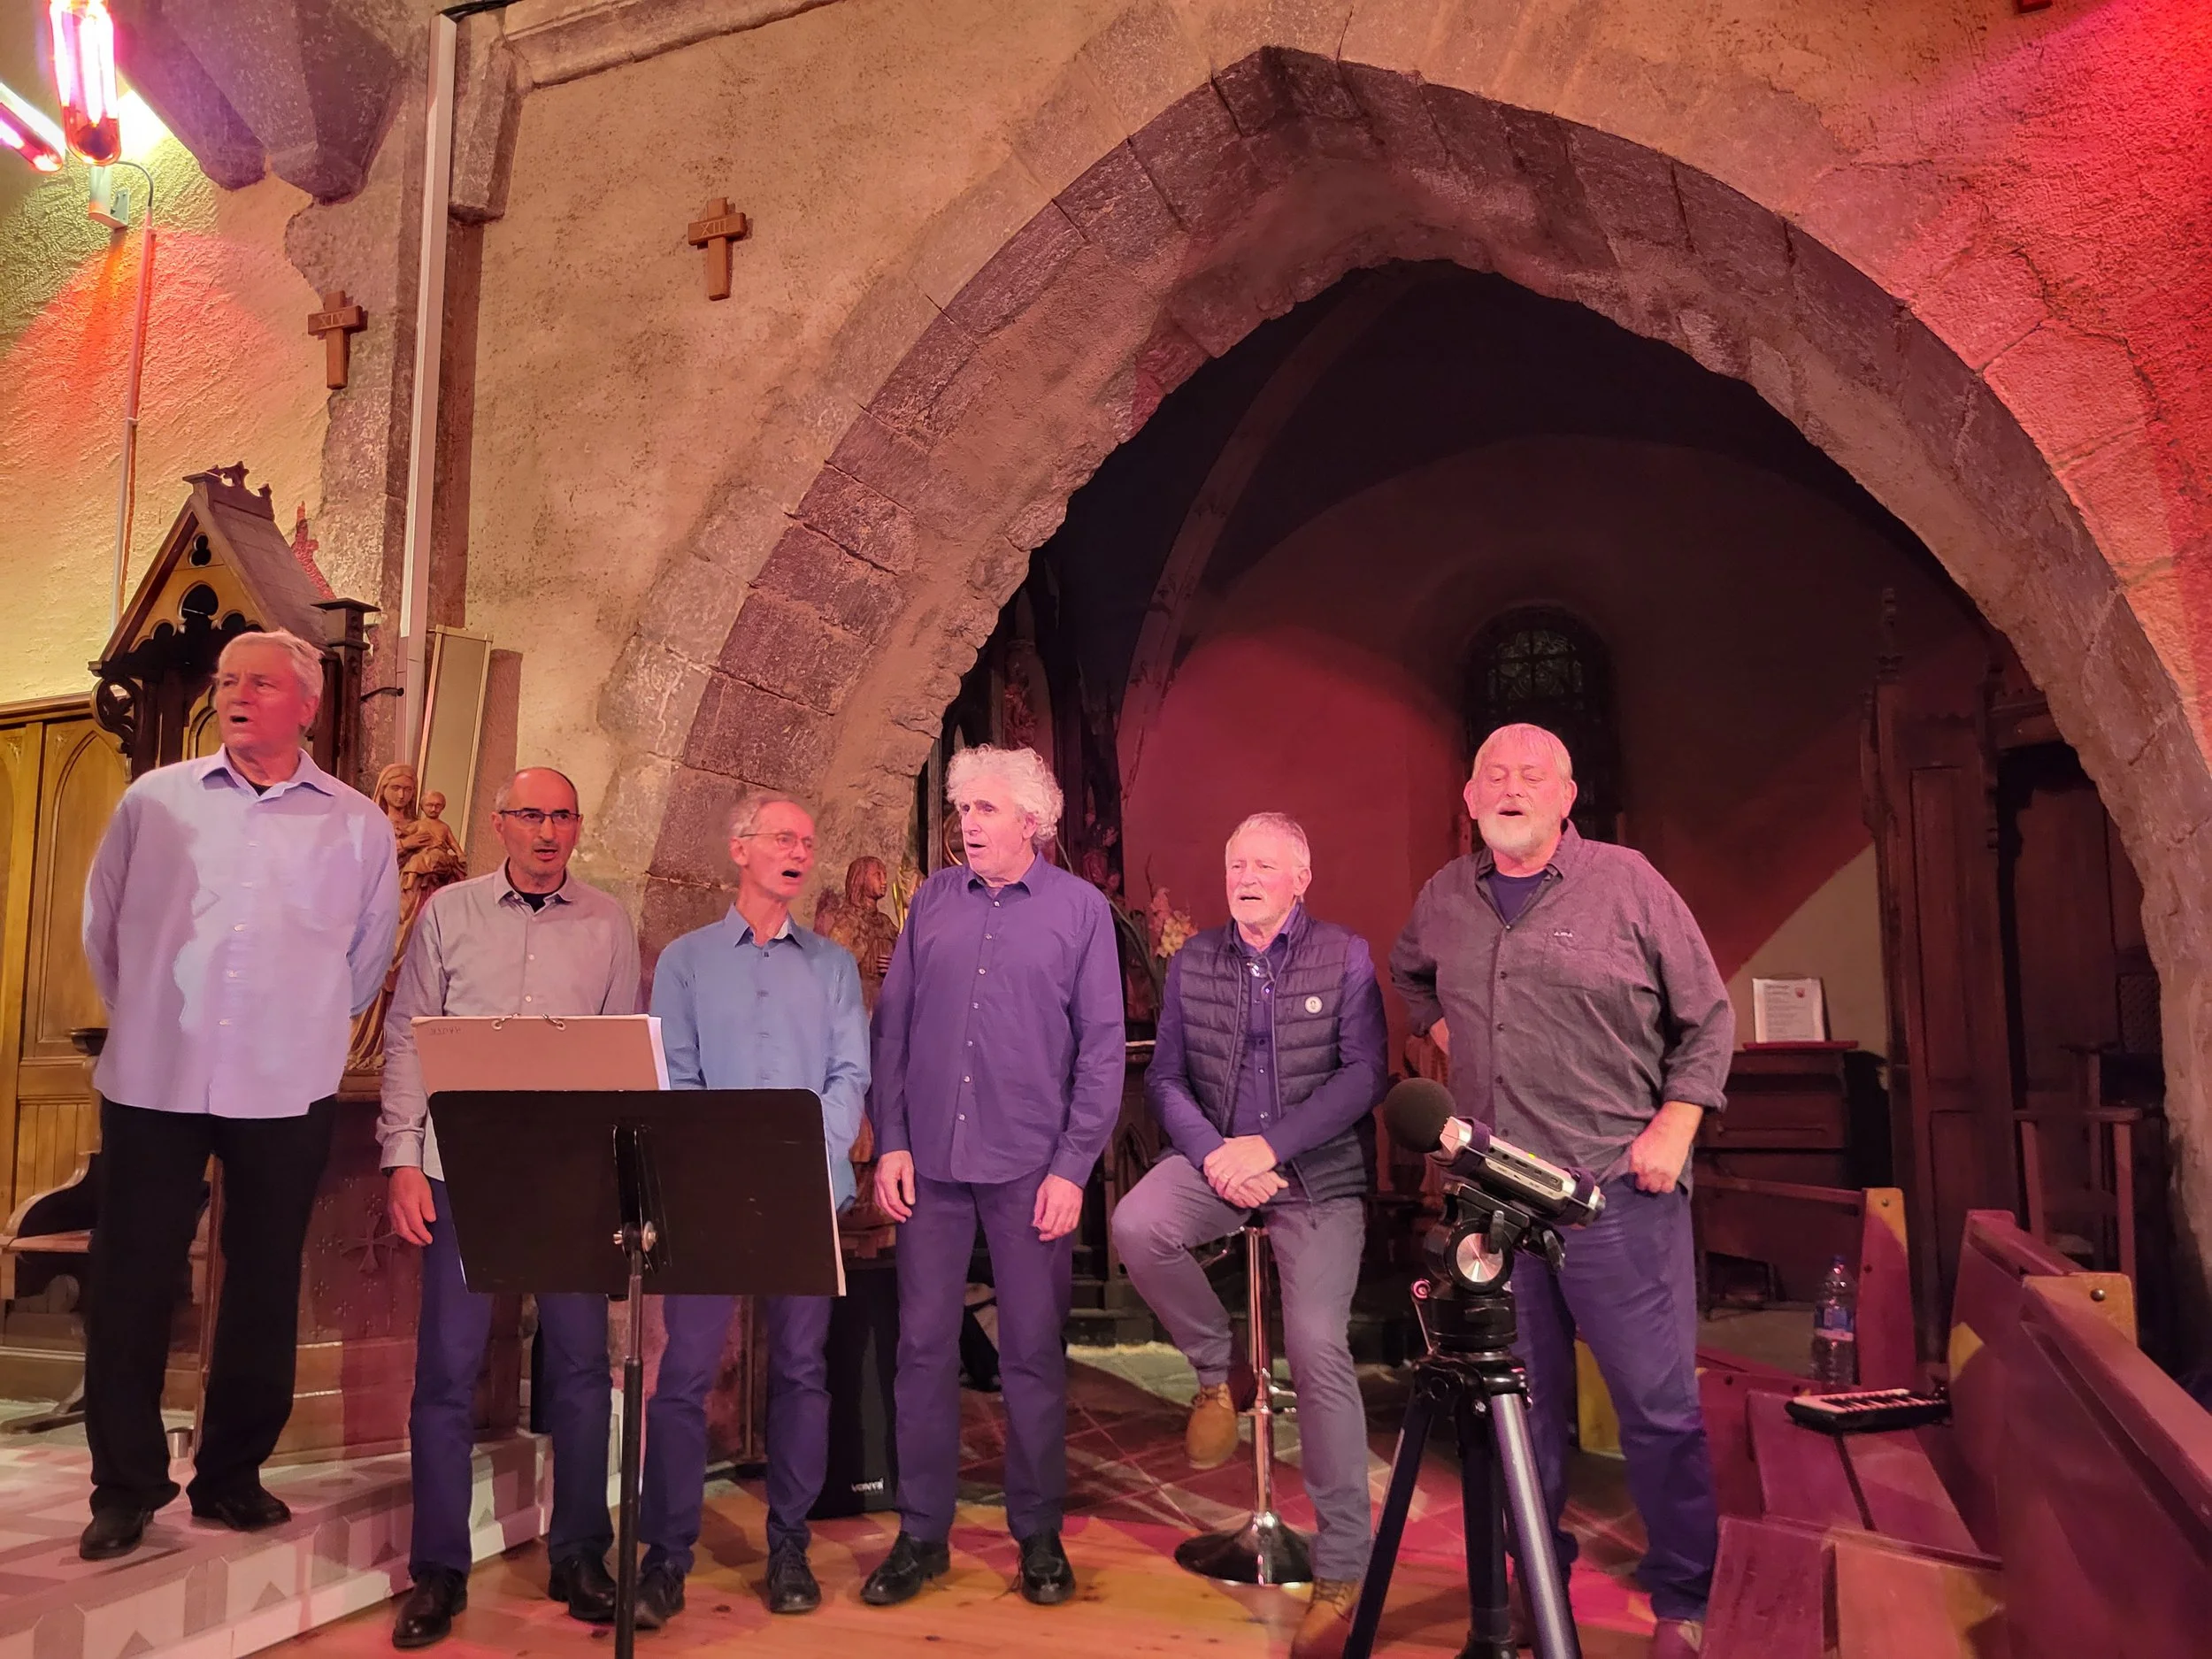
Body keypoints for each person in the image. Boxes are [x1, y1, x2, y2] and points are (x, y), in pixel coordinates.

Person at [1389, 723, 1733, 1659]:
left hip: (1613, 1191)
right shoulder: (1443, 898)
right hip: (1493, 1200)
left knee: (1655, 1406)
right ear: (1468, 800)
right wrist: (1442, 1032)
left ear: (1565, 795)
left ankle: (1685, 1595)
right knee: (1517, 1404)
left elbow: (1708, 1018)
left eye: (1530, 774)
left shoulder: (1628, 884)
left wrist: (1676, 1123)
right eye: (1492, 774)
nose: (1511, 786)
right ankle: (1535, 1572)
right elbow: (1409, 972)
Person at [78, 628, 399, 1562]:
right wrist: (151, 1013)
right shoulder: (156, 803)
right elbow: (105, 928)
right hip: (154, 1074)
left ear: (308, 703)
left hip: (284, 1077)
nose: (236, 695)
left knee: (262, 1283)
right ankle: (125, 1485)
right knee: (132, 1281)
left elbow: (365, 958)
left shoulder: (357, 825)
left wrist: (292, 1025)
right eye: (226, 682)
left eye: (260, 682)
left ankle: (230, 1475)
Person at [1110, 813, 1386, 1658]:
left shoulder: (1344, 955)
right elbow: (1165, 1078)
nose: (1248, 875)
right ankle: (1217, 1364)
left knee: (1315, 1344)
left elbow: (1365, 1074)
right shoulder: (1194, 961)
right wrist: (1218, 1156)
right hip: (1220, 1160)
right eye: (1237, 863)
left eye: (1266, 864)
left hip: (1317, 1176)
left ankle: (1343, 1562)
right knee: (1137, 1222)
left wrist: (1271, 1146)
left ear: (1302, 878)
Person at [377, 768, 641, 1648]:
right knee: (446, 1373)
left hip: (568, 1178)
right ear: (498, 823)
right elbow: (410, 1037)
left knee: (576, 1369)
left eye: (562, 815)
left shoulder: (607, 922)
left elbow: (619, 1056)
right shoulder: (447, 914)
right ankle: (438, 1571)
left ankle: (578, 1555)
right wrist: (401, 1160)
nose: (547, 830)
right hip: (460, 1170)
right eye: (530, 814)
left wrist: (618, 1182)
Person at [863, 744, 1125, 1608]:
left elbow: (1100, 1051)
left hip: (1030, 1171)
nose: (967, 824)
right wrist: (891, 1140)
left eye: (983, 809)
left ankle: (1038, 1533)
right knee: (923, 1350)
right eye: (962, 810)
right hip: (929, 1165)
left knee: (1032, 1358)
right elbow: (893, 1028)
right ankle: (921, 1534)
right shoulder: (931, 902)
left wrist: (1072, 1167)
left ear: (1030, 821)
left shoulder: (1080, 911)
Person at [649, 791, 869, 1624]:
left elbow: (851, 1072)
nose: (800, 852)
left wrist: (813, 1157)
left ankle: (788, 1544)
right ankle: (665, 1555)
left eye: (809, 841)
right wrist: (725, 1162)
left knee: (802, 1371)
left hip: (805, 1192)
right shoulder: (688, 960)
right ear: (739, 849)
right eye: (784, 837)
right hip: (709, 1193)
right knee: (683, 1376)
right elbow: (675, 1070)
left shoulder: (834, 965)